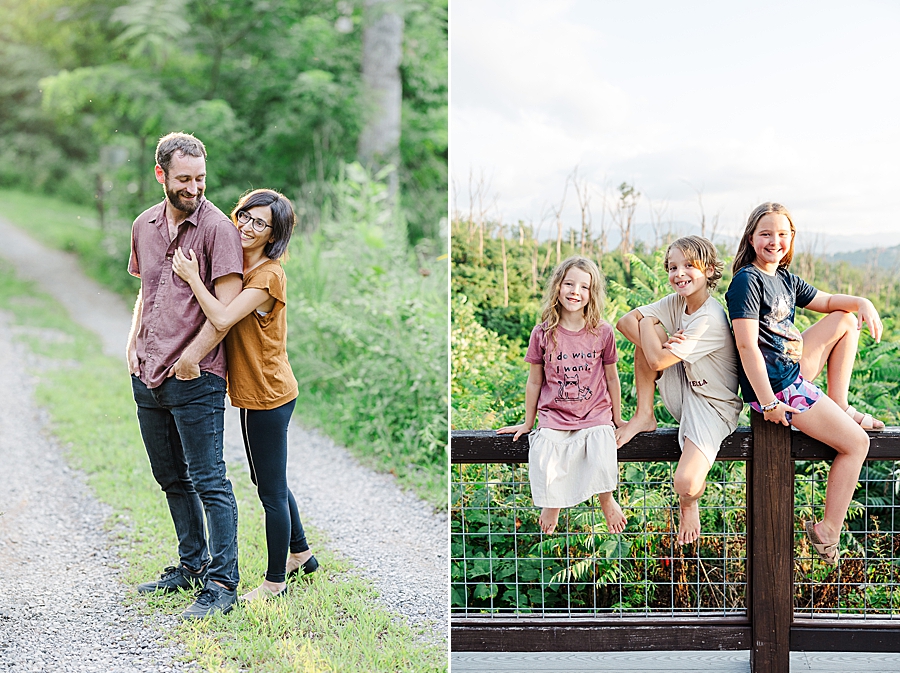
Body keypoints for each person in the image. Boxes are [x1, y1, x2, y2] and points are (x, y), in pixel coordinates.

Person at [171, 189, 318, 601]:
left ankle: (274, 582)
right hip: (256, 393)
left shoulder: (269, 275)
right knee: (265, 478)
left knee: (270, 491)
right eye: (244, 217)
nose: (247, 228)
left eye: (259, 224)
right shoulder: (241, 266)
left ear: (274, 235)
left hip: (269, 394)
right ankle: (302, 555)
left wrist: (193, 277)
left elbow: (220, 316)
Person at [725, 202, 883, 567]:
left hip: (792, 368)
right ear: (751, 238)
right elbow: (747, 345)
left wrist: (863, 301)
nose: (774, 241)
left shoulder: (783, 278)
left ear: (791, 238)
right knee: (856, 444)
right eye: (766, 233)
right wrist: (767, 403)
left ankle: (839, 404)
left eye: (782, 234)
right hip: (778, 389)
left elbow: (826, 302)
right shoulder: (747, 281)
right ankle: (829, 530)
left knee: (845, 319)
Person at [127, 132, 244, 618]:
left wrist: (193, 358)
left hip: (196, 377)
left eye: (200, 178)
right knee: (170, 477)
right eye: (183, 179)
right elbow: (145, 292)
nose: (194, 188)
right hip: (147, 373)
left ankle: (222, 583)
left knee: (209, 479)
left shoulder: (218, 229)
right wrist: (131, 345)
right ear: (161, 176)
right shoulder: (143, 225)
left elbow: (229, 309)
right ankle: (191, 566)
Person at [616, 236, 743, 545]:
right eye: (673, 267)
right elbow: (623, 322)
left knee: (685, 482)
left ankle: (690, 506)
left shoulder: (709, 318)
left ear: (710, 271)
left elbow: (656, 355)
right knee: (649, 340)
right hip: (685, 385)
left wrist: (649, 326)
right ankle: (644, 415)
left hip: (714, 405)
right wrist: (654, 331)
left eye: (689, 266)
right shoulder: (676, 303)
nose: (679, 273)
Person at [497, 256, 626, 536]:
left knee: (603, 447)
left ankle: (606, 499)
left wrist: (617, 417)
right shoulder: (543, 333)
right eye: (569, 283)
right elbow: (534, 381)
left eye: (583, 287)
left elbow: (612, 377)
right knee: (544, 450)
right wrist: (528, 422)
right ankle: (551, 502)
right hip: (554, 414)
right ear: (558, 286)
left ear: (592, 294)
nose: (574, 292)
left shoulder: (602, 331)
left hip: (595, 413)